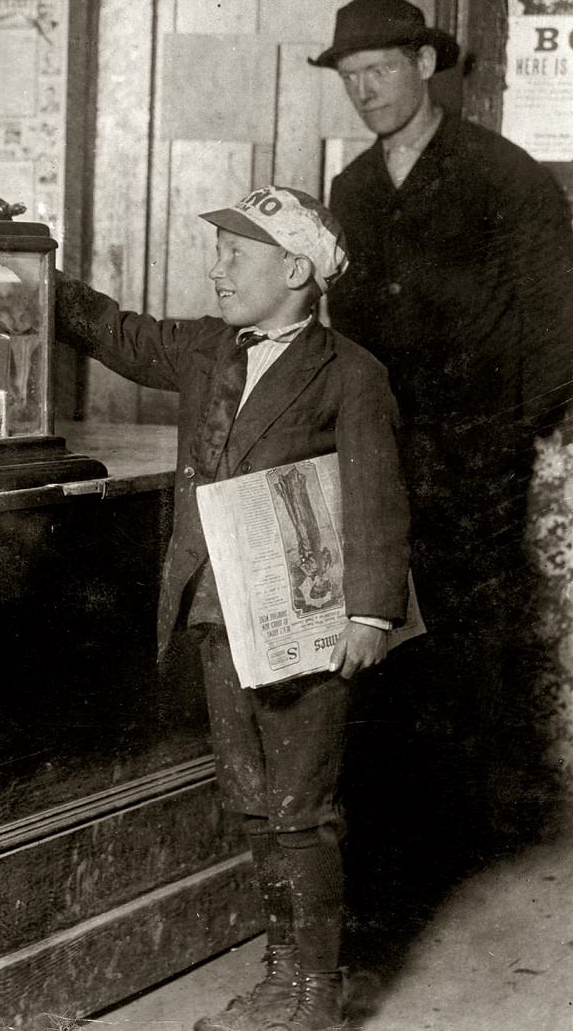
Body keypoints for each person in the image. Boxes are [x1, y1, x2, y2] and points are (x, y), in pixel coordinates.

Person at [48, 186, 411, 1031]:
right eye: (217, 252)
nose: (216, 269)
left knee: (302, 808)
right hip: (219, 618)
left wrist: (370, 615)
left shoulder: (351, 374)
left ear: (295, 270)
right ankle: (284, 978)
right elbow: (114, 331)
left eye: (235, 255)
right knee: (254, 803)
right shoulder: (208, 350)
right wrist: (33, 263)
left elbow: (376, 499)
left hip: (308, 631)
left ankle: (314, 994)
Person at [309, 0, 573, 943]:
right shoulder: (350, 187)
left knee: (466, 642)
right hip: (378, 454)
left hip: (471, 461)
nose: (365, 91)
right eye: (349, 79)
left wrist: (499, 436)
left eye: (379, 69)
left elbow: (558, 322)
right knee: (382, 635)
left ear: (426, 62)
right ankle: (394, 856)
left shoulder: (503, 175)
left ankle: (460, 857)